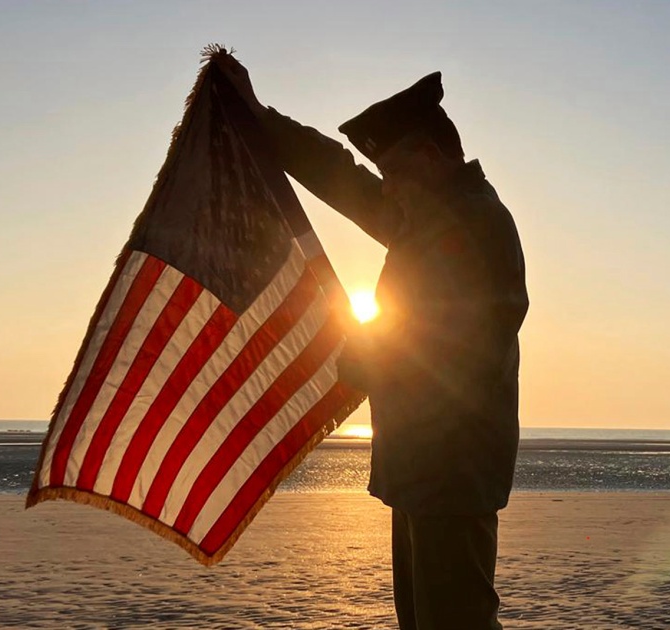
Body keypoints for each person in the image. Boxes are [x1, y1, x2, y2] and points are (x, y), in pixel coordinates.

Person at [216, 57, 529, 630]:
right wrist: (261, 118)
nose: (388, 189)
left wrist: (367, 356)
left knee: (457, 620)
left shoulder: (479, 225)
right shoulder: (426, 212)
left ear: (433, 158)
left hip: (454, 472)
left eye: (397, 173)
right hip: (418, 466)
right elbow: (342, 179)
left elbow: (464, 343)